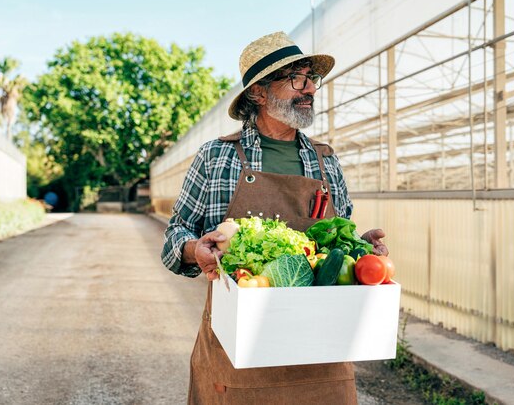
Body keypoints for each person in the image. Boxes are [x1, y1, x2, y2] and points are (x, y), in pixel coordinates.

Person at [162, 31, 388, 404]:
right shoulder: (217, 157)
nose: (310, 89)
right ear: (259, 93)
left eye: (311, 79)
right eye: (297, 79)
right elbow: (175, 237)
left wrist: (365, 250)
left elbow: (339, 238)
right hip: (238, 354)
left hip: (320, 350)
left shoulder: (325, 160)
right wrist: (194, 249)